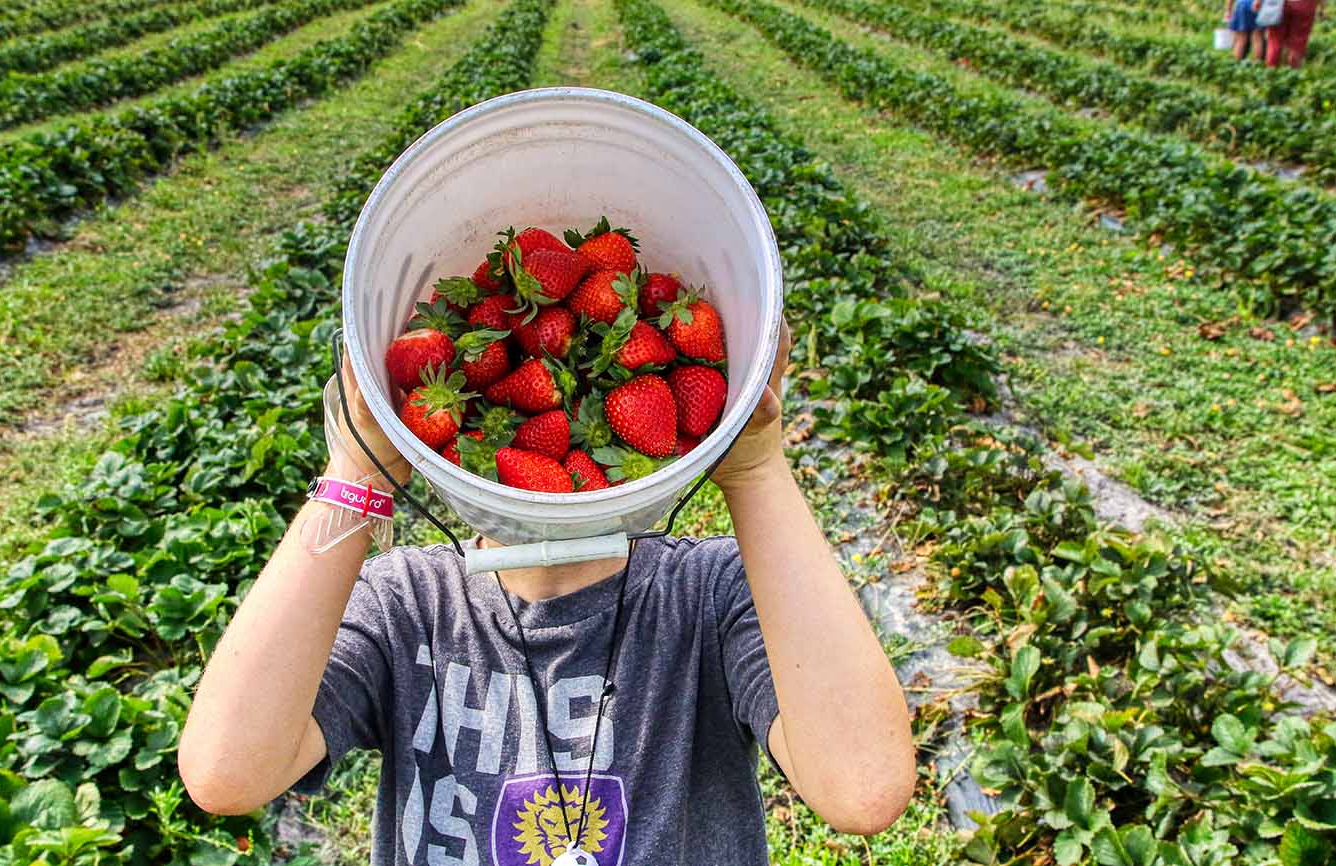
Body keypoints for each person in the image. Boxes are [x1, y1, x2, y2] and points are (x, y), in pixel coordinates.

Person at [178, 324, 917, 865]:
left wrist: (755, 470)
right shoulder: (406, 605)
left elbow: (861, 789)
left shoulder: (712, 595)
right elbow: (226, 771)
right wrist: (358, 469)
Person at [1268, 0, 1324, 66]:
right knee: (1297, 42)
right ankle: (1293, 72)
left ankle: (1272, 71)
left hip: (1279, 4)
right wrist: (1322, 6)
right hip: (1304, 5)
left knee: (1275, 40)